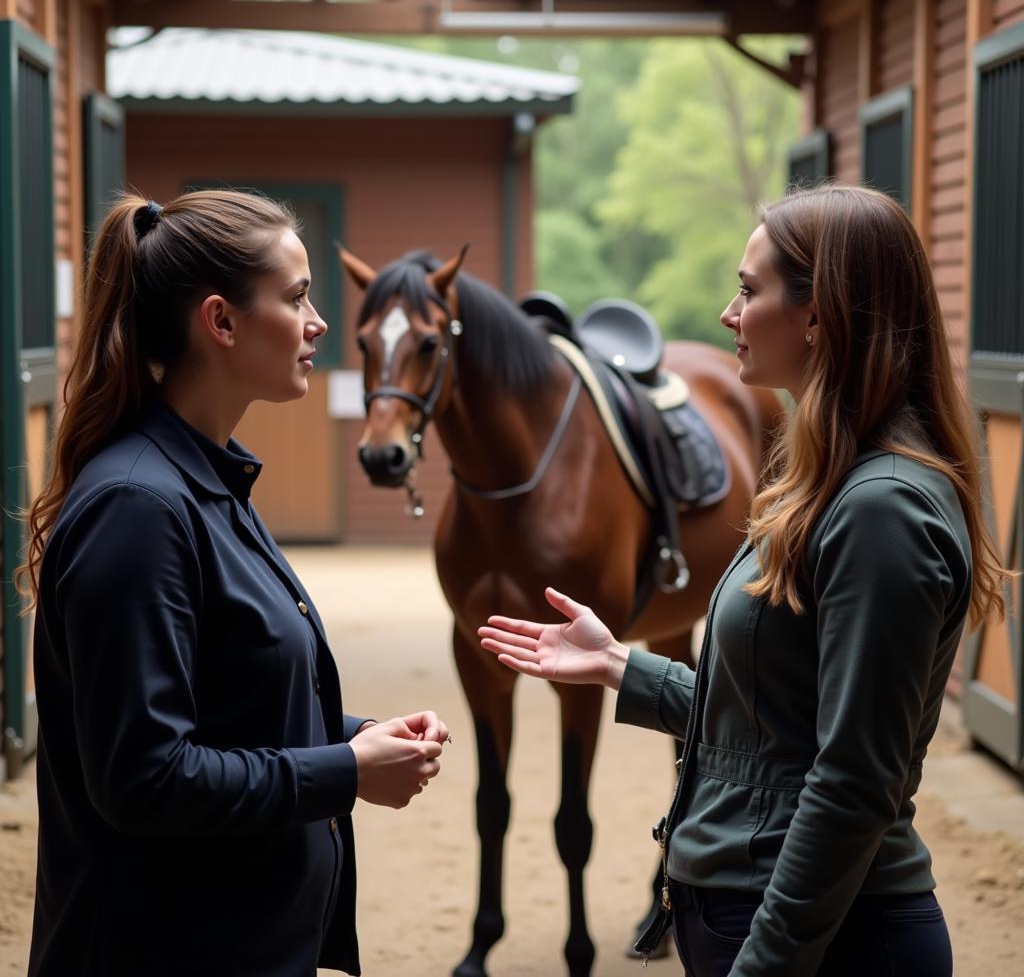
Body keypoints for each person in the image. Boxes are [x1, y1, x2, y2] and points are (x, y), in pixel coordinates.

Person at [479, 184, 1010, 977]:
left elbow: (853, 780)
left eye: (749, 289)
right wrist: (621, 664)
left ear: (819, 315)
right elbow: (780, 728)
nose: (729, 313)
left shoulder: (882, 511)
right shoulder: (834, 482)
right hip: (761, 910)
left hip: (827, 938)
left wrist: (764, 963)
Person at [16, 190, 450, 977]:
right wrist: (344, 773)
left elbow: (230, 696)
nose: (320, 322)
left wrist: (349, 734)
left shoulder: (208, 480)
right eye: (296, 298)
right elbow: (144, 776)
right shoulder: (139, 507)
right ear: (220, 322)